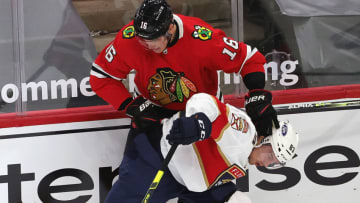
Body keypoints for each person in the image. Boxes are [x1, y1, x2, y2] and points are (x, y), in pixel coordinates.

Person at [89, 0, 280, 201]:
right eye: (141, 38)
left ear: (170, 28)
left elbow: (249, 59)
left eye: (152, 38)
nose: (146, 44)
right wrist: (134, 107)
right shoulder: (129, 39)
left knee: (213, 194)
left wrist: (258, 95)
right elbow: (101, 77)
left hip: (203, 125)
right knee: (132, 191)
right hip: (153, 123)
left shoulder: (201, 38)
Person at [105, 93, 299, 203]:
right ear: (265, 141)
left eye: (275, 163)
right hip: (158, 159)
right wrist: (199, 123)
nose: (268, 163)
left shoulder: (246, 155)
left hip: (188, 182)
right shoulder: (244, 131)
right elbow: (205, 102)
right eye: (272, 155)